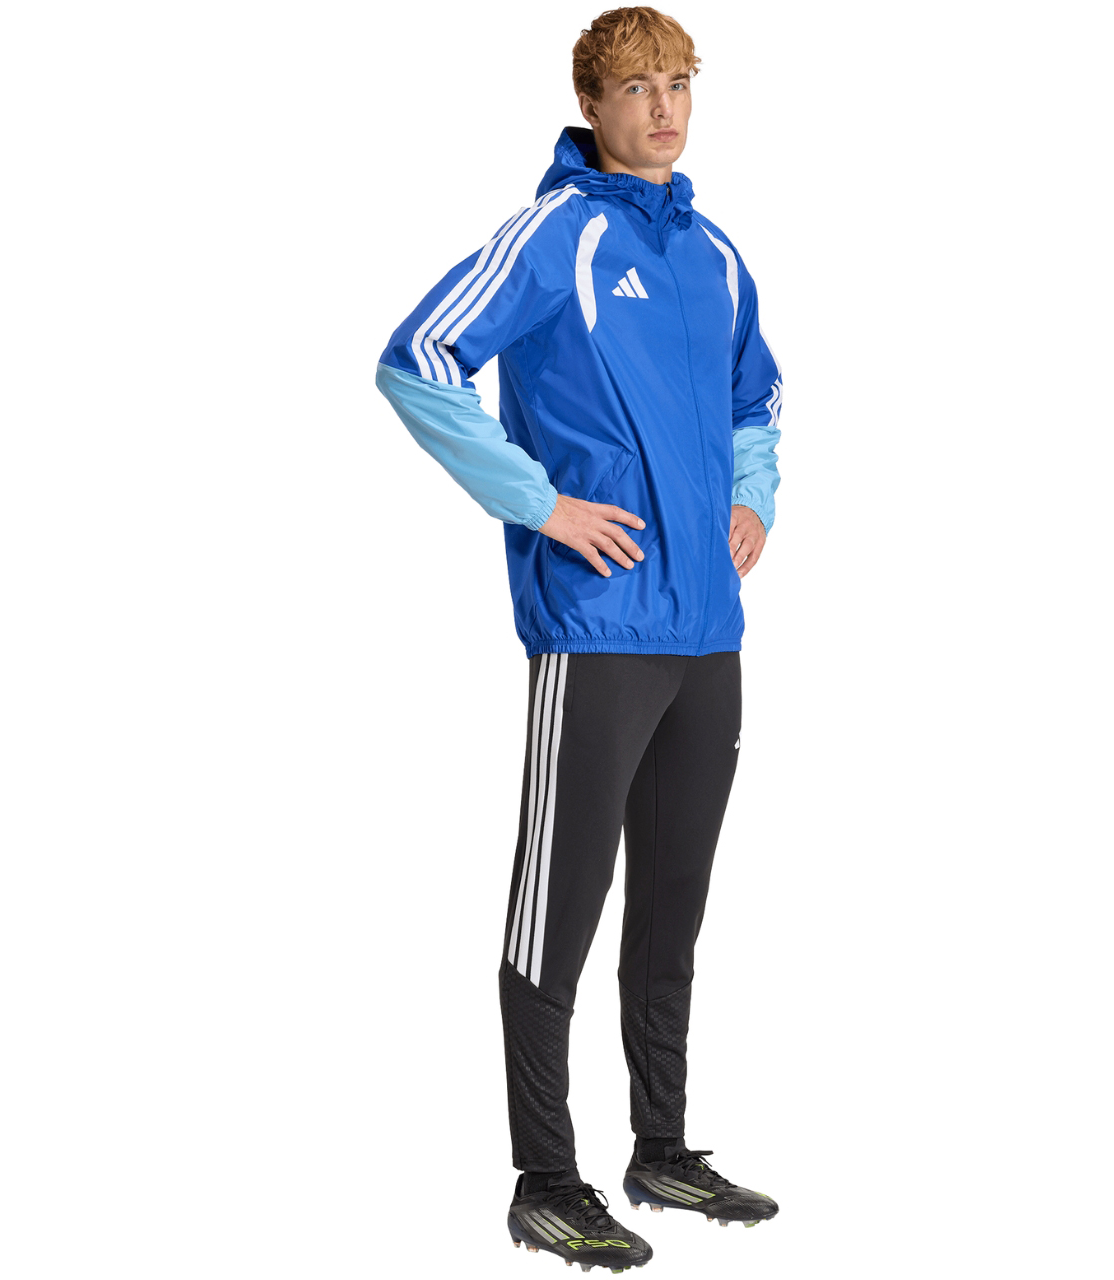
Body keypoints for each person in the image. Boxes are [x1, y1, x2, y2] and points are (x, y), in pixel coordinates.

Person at [375, 7, 782, 1269]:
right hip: (596, 627)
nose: (662, 108)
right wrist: (537, 502)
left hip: (704, 632)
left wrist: (750, 496)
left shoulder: (713, 251)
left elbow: (756, 393)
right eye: (636, 88)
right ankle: (545, 1178)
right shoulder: (556, 233)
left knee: (671, 909)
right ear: (591, 106)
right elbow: (416, 357)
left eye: (679, 84)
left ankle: (660, 1148)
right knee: (556, 907)